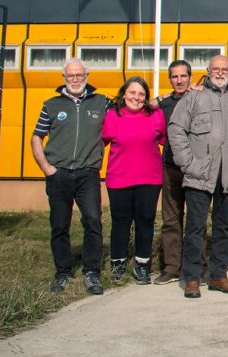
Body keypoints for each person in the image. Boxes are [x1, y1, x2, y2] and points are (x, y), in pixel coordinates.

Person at [167, 55, 228, 299]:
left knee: (223, 228)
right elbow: (176, 129)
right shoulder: (194, 97)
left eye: (225, 69)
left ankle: (218, 275)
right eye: (216, 69)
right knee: (195, 227)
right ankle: (192, 278)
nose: (220, 73)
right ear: (208, 71)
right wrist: (187, 163)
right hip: (199, 175)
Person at [31, 57, 109, 295]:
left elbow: (131, 108)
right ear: (64, 78)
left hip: (88, 173)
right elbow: (36, 137)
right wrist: (47, 168)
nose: (75, 79)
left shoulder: (102, 102)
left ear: (87, 77)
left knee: (93, 221)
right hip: (59, 173)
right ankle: (63, 272)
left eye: (80, 75)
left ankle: (91, 272)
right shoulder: (51, 105)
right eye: (70, 76)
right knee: (59, 224)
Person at [101, 76, 166, 285]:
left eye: (141, 94)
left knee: (145, 221)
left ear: (146, 97)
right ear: (123, 94)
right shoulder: (112, 115)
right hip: (119, 178)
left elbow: (167, 141)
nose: (136, 98)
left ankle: (142, 264)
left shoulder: (156, 115)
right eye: (132, 93)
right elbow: (98, 143)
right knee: (120, 222)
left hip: (149, 177)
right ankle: (118, 262)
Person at [154, 60, 192, 285]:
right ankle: (171, 267)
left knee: (195, 220)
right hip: (170, 167)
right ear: (170, 80)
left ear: (190, 77)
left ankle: (196, 265)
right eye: (174, 77)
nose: (179, 80)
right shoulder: (163, 105)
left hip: (195, 168)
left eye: (183, 76)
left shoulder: (199, 99)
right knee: (171, 219)